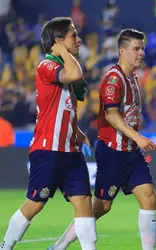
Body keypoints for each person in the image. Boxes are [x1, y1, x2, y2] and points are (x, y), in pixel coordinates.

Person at [48, 29, 156, 250]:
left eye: (142, 48)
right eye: (136, 49)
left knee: (149, 197)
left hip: (132, 153)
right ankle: (59, 246)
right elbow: (111, 114)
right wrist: (138, 136)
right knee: (101, 207)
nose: (141, 53)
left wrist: (136, 138)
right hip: (112, 153)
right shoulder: (113, 78)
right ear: (122, 51)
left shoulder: (134, 79)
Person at [0, 17, 97, 250]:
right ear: (59, 41)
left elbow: (64, 108)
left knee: (84, 201)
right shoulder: (47, 65)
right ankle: (5, 246)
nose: (79, 39)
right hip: (48, 149)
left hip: (70, 150)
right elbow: (74, 74)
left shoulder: (60, 65)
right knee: (35, 203)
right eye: (73, 35)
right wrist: (63, 50)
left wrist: (77, 131)